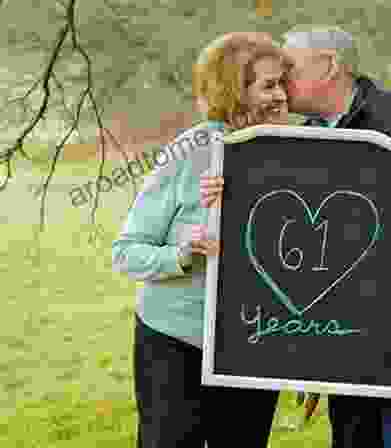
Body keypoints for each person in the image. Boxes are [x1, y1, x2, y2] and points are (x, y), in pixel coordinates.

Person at [199, 25, 391, 448]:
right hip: (341, 332)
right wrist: (309, 357)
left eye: (289, 72)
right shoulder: (305, 134)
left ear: (330, 65)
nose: (282, 86)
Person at [112, 32, 292, 448]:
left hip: (255, 342)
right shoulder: (190, 151)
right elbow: (126, 252)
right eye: (268, 85)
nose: (281, 96)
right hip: (176, 339)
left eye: (283, 83)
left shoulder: (296, 153)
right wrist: (182, 253)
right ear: (233, 89)